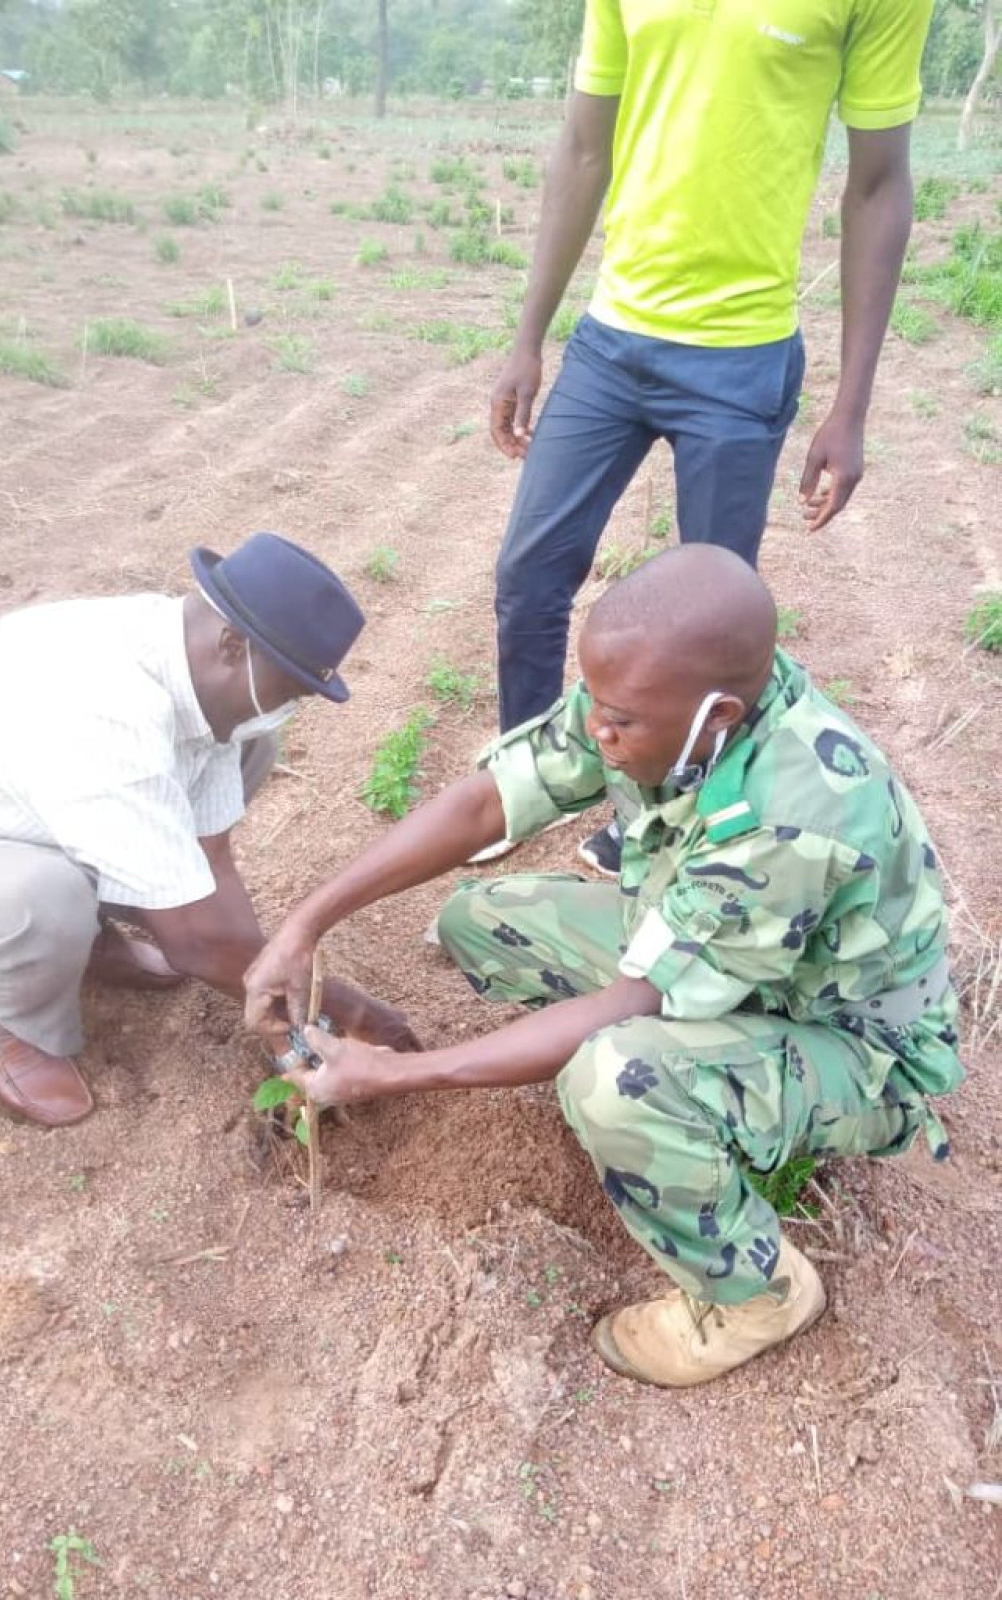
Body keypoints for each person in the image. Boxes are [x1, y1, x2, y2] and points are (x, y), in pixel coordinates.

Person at [244, 546, 963, 1388]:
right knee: (484, 919)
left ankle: (756, 1295)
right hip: (730, 956)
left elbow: (635, 1000)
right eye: (597, 706)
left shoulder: (792, 814)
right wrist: (304, 924)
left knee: (613, 1074)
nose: (597, 732)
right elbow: (489, 799)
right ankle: (686, 1091)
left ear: (717, 716)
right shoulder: (663, 693)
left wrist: (397, 1076)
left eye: (618, 721)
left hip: (850, 1045)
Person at [484, 0, 934, 872]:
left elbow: (878, 184)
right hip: (612, 344)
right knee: (528, 575)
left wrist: (852, 405)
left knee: (711, 630)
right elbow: (584, 146)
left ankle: (662, 820)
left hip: (742, 355)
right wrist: (529, 337)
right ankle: (525, 780)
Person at [0, 533, 417, 1128]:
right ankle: (11, 1019)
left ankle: (83, 940)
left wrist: (281, 1004)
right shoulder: (106, 707)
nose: (289, 706)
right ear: (233, 645)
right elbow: (195, 940)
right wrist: (338, 1006)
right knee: (44, 897)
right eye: (289, 689)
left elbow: (211, 861)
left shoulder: (188, 670)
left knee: (252, 746)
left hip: (23, 825)